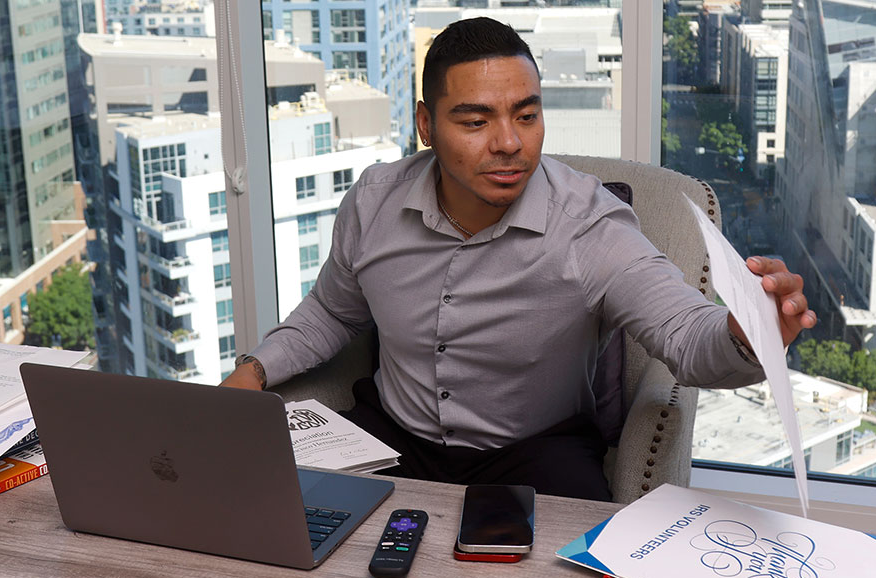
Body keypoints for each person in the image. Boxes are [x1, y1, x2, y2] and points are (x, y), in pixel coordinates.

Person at [221, 17, 816, 501]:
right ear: (427, 125)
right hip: (394, 437)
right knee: (283, 534)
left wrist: (750, 332)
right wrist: (252, 372)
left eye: (526, 116)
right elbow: (333, 312)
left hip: (538, 455)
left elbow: (687, 335)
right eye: (476, 121)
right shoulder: (374, 202)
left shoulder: (590, 224)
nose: (508, 142)